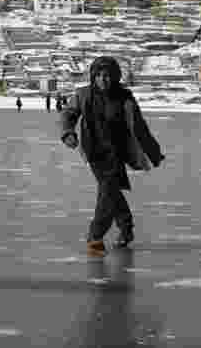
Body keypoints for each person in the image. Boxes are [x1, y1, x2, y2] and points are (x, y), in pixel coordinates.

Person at [59, 56, 165, 255]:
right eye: (98, 76)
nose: (103, 80)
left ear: (115, 77)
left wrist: (153, 151)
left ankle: (110, 233)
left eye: (107, 76)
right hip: (94, 152)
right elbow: (68, 113)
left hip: (117, 152)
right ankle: (111, 233)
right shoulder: (84, 95)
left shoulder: (124, 97)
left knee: (109, 192)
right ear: (93, 77)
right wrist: (68, 133)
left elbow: (139, 126)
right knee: (109, 191)